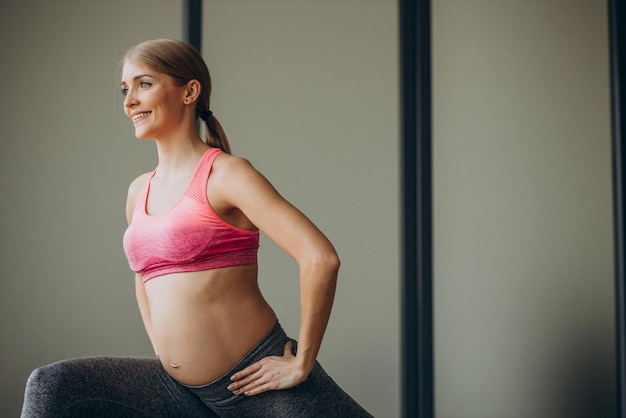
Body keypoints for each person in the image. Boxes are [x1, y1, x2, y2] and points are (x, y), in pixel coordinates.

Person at [20, 39, 372, 417]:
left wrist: (302, 360)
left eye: (144, 84)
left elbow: (320, 258)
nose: (129, 102)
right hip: (180, 394)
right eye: (125, 90)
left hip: (254, 387)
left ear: (189, 91)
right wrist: (166, 350)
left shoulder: (226, 175)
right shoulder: (139, 190)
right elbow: (143, 275)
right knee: (53, 386)